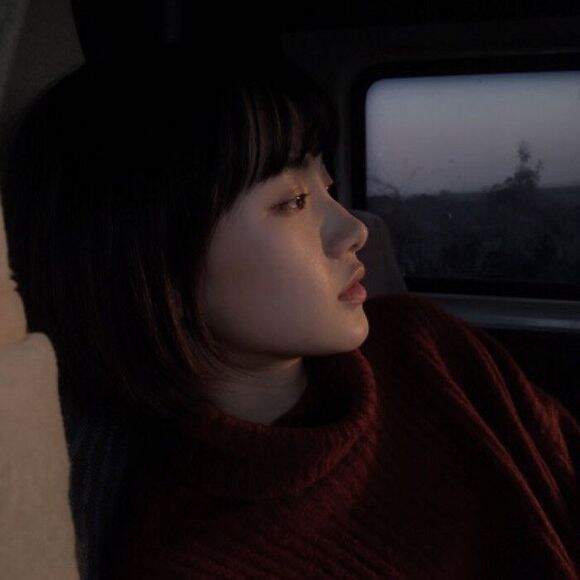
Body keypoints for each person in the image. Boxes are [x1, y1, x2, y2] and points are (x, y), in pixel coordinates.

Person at [0, 45, 577, 579]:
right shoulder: (193, 558)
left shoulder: (425, 344)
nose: (353, 231)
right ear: (150, 259)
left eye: (326, 187)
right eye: (294, 201)